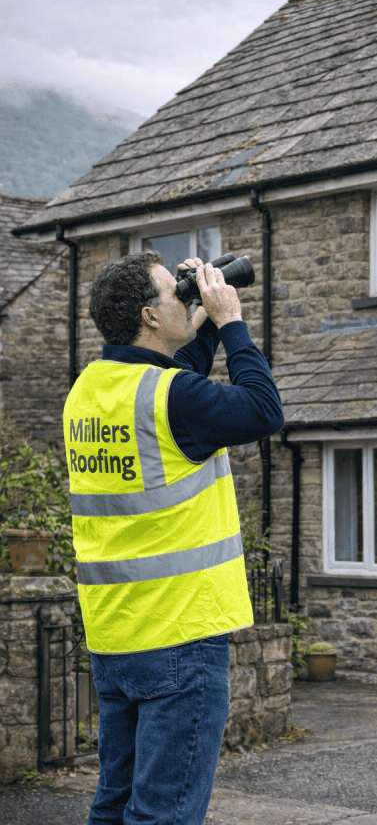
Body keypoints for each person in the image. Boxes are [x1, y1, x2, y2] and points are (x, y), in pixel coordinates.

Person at [63, 250, 284, 825]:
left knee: (114, 805)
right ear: (149, 317)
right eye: (173, 293)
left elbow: (171, 382)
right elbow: (262, 411)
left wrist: (199, 318)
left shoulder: (89, 390)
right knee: (164, 814)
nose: (184, 297)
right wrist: (230, 321)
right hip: (179, 636)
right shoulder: (173, 398)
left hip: (115, 634)